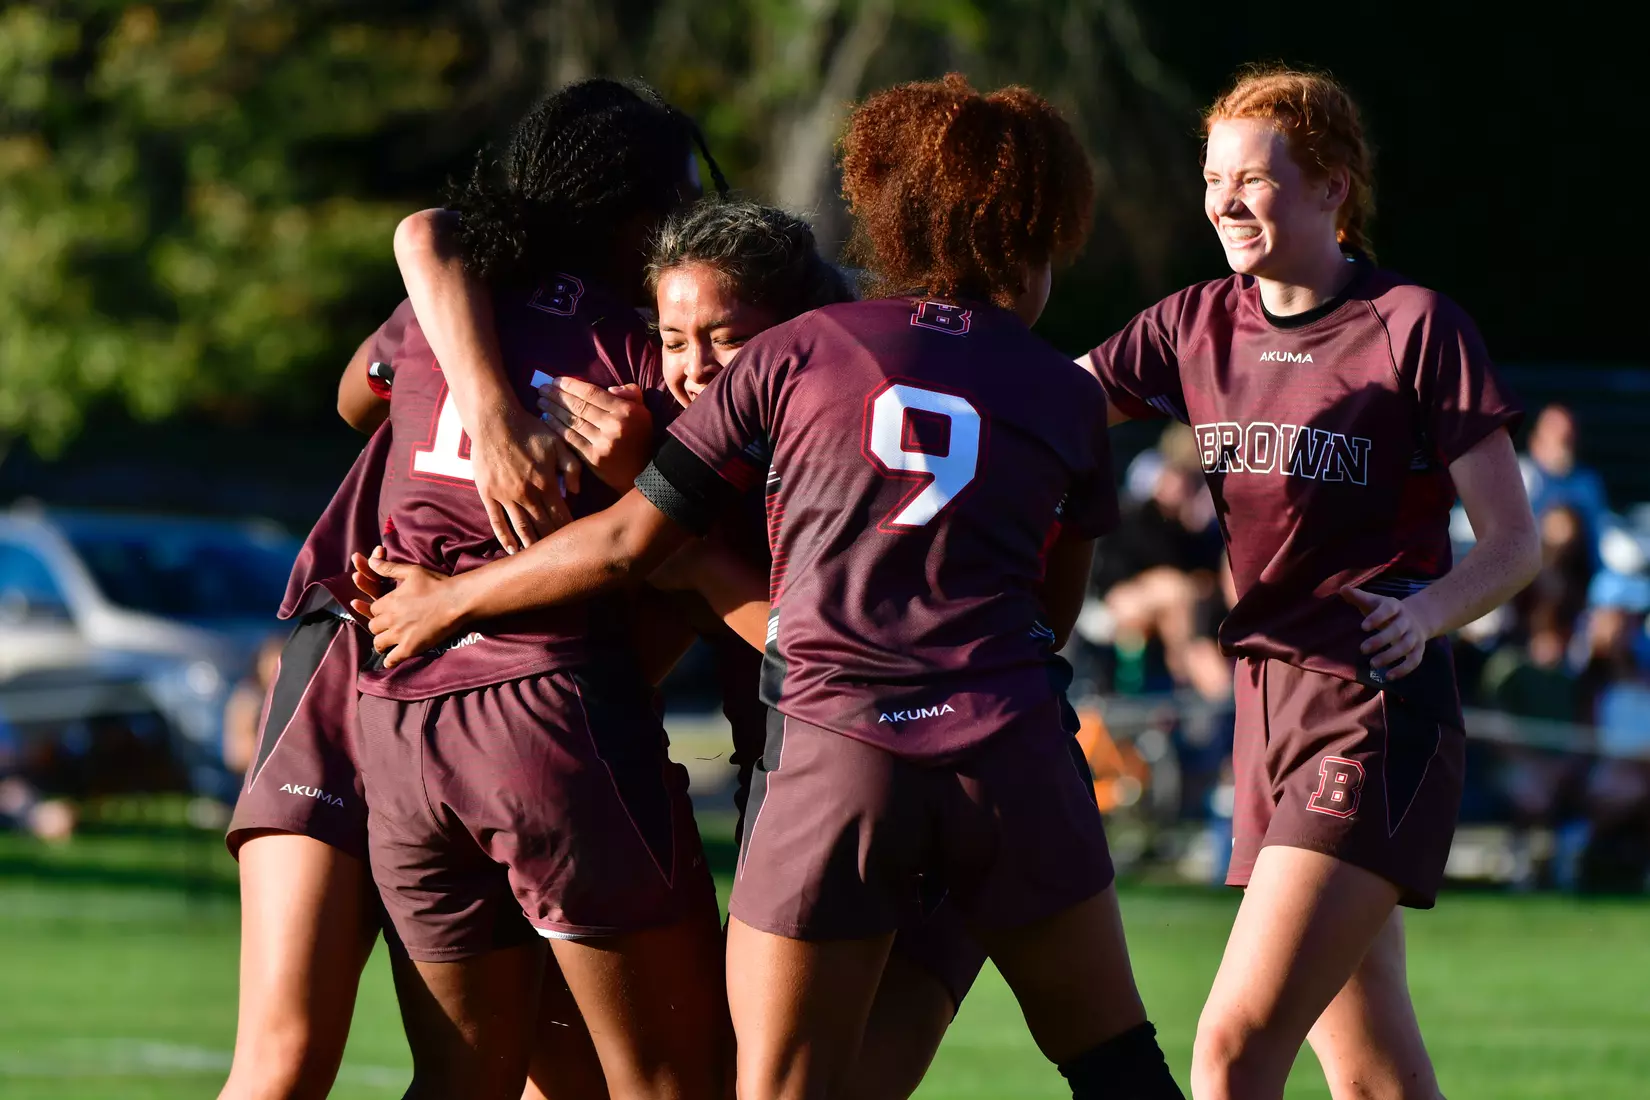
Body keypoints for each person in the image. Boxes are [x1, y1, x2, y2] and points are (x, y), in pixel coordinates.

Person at [357, 74, 1185, 1100]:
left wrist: (446, 600)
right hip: (1010, 751)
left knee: (778, 1085)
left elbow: (624, 543)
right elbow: (1049, 616)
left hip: (839, 754)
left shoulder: (800, 349)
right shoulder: (1066, 392)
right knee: (1118, 1063)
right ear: (1040, 233)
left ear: (883, 209)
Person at [1080, 66, 1539, 1098]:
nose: (1225, 203)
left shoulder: (1413, 325)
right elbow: (1043, 405)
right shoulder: (1192, 324)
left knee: (1232, 1049)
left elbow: (1516, 543)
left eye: (1253, 178)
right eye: (1213, 179)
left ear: (1332, 185)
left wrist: (1427, 613)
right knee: (1372, 1074)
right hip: (1263, 713)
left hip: (1371, 712)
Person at [349, 78, 735, 1100]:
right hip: (550, 719)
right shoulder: (644, 357)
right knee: (673, 1080)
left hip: (401, 716)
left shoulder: (438, 314)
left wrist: (463, 377)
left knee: (461, 1082)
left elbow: (355, 396)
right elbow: (689, 552)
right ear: (636, 215)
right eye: (681, 203)